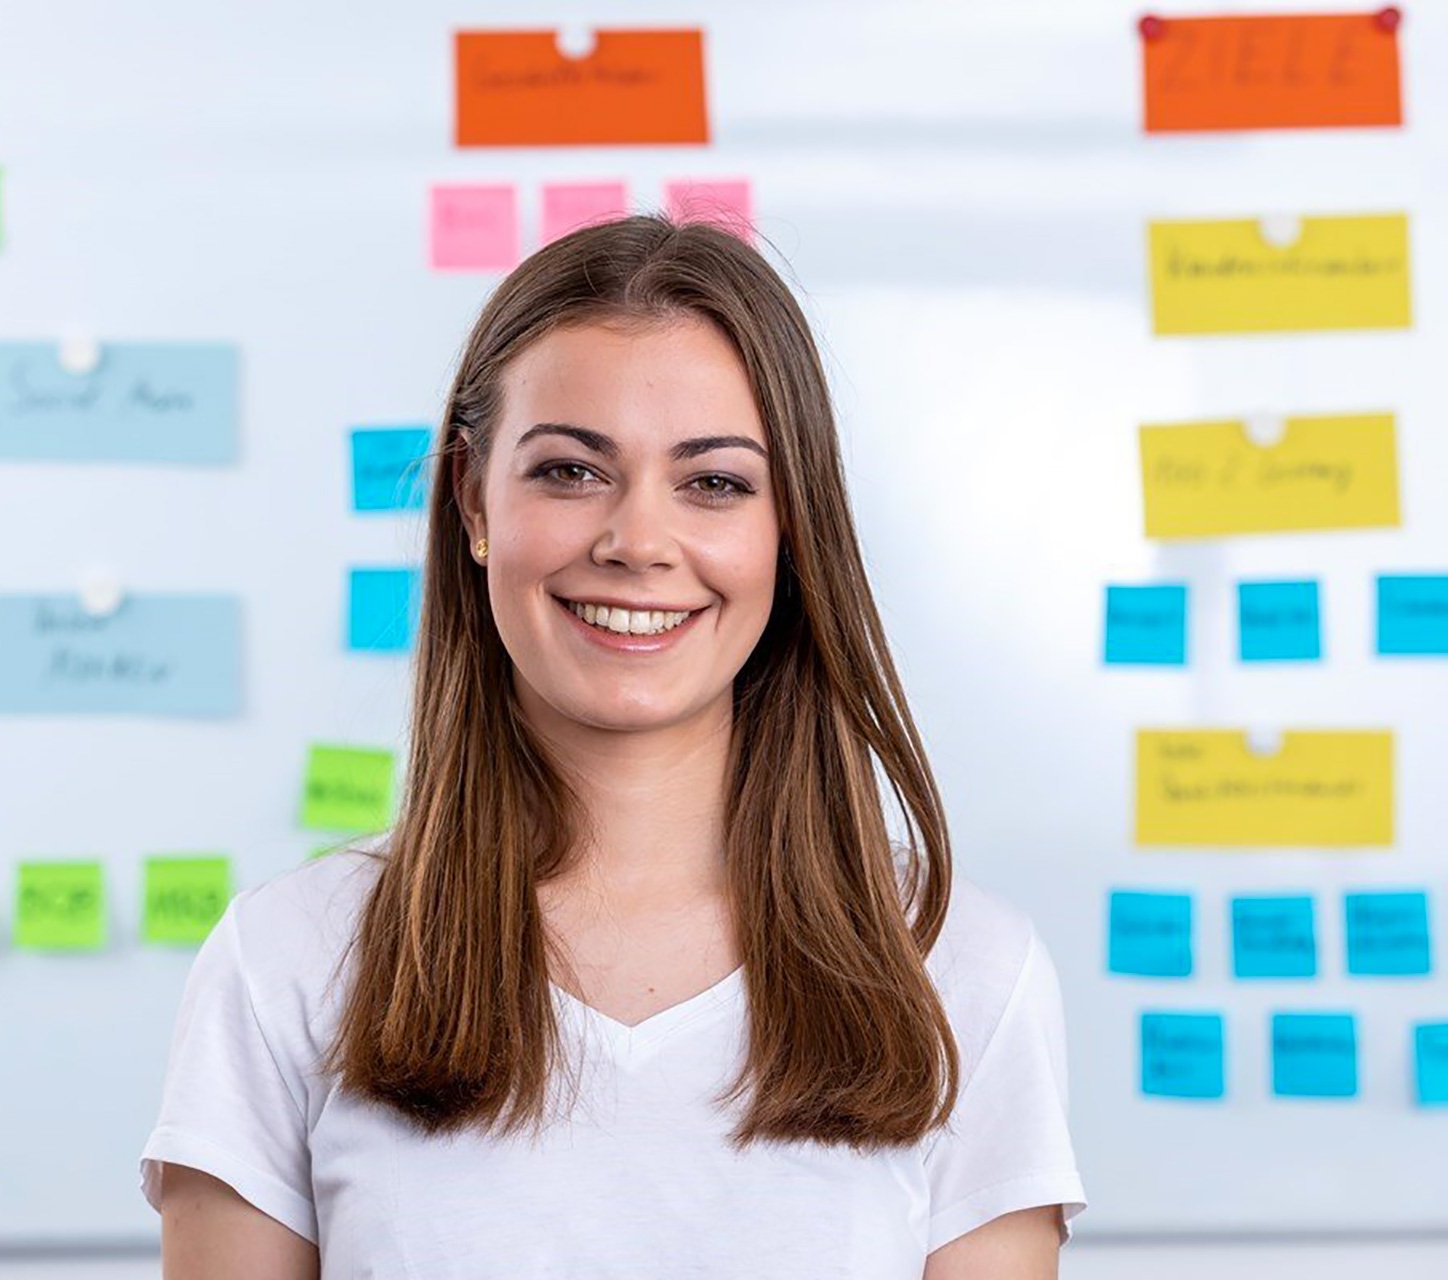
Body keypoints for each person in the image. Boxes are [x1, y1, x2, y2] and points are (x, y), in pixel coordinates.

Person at [139, 213, 1087, 1278]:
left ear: (792, 526)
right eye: (570, 472)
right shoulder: (285, 962)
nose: (637, 541)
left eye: (715, 483)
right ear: (471, 498)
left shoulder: (964, 971)